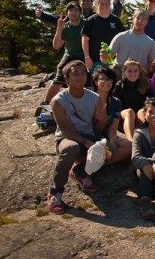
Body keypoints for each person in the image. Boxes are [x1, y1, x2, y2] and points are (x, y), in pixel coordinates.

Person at [46, 60, 107, 214]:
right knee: (71, 148)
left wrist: (102, 118)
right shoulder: (58, 101)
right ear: (66, 78)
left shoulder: (94, 98)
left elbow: (97, 127)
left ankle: (80, 171)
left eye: (82, 73)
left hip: (88, 136)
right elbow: (66, 131)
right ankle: (55, 192)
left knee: (109, 149)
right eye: (75, 74)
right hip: (67, 138)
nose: (80, 77)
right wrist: (86, 142)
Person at [44, 1, 86, 104]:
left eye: (76, 10)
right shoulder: (65, 26)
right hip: (70, 56)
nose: (73, 12)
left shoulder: (86, 24)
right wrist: (59, 29)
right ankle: (46, 104)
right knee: (59, 79)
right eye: (70, 10)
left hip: (85, 56)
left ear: (80, 12)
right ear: (67, 13)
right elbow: (56, 46)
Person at [91, 66, 132, 164]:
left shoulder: (116, 102)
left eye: (109, 79)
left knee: (129, 146)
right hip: (89, 137)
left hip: (106, 136)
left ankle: (99, 165)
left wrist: (112, 141)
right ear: (96, 82)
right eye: (103, 79)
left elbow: (113, 128)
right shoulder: (88, 99)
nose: (107, 82)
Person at [106, 8, 155, 74]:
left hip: (139, 77)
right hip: (120, 75)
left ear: (147, 22)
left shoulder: (151, 42)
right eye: (138, 18)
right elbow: (108, 58)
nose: (140, 21)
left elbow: (152, 65)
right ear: (133, 19)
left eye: (143, 19)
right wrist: (104, 56)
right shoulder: (120, 37)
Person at [81, 0, 126, 71]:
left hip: (112, 61)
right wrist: (87, 57)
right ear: (96, 5)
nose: (104, 6)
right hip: (94, 61)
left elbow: (122, 39)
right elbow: (84, 40)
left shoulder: (115, 20)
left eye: (106, 4)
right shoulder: (90, 21)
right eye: (101, 4)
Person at [113, 59, 154, 141]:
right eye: (130, 71)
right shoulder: (120, 85)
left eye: (135, 71)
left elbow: (150, 101)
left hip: (140, 114)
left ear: (139, 72)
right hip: (125, 116)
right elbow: (116, 103)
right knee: (129, 112)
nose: (132, 74)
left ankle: (149, 139)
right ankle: (131, 141)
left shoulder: (145, 84)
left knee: (142, 111)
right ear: (125, 72)